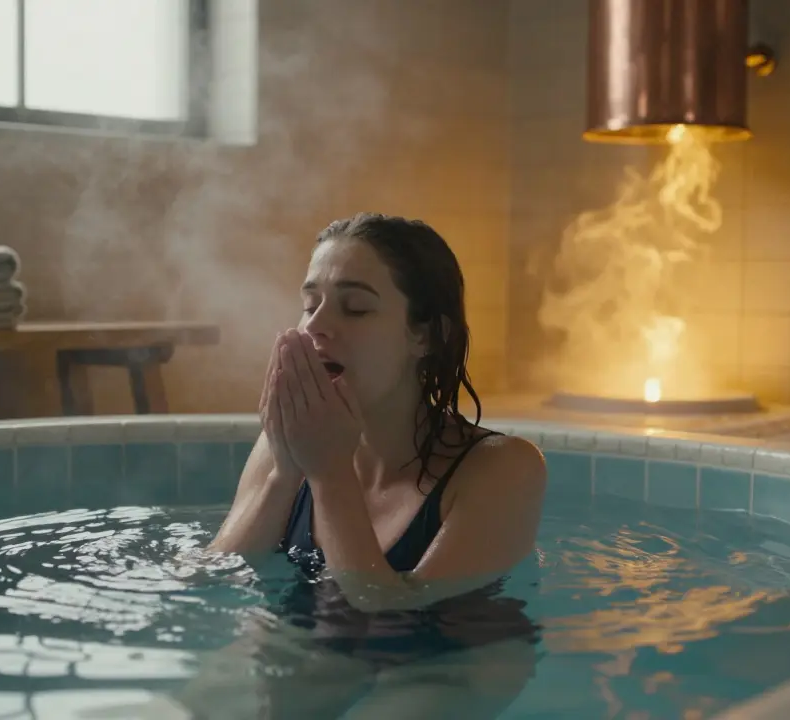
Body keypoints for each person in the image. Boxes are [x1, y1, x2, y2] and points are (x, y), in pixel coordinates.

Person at [178, 213, 549, 718]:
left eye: (354, 308)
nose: (314, 326)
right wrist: (287, 471)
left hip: (449, 660)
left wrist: (328, 474)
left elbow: (389, 607)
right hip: (322, 642)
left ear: (426, 336)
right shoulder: (291, 443)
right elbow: (215, 575)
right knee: (196, 707)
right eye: (310, 304)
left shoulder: (502, 469)